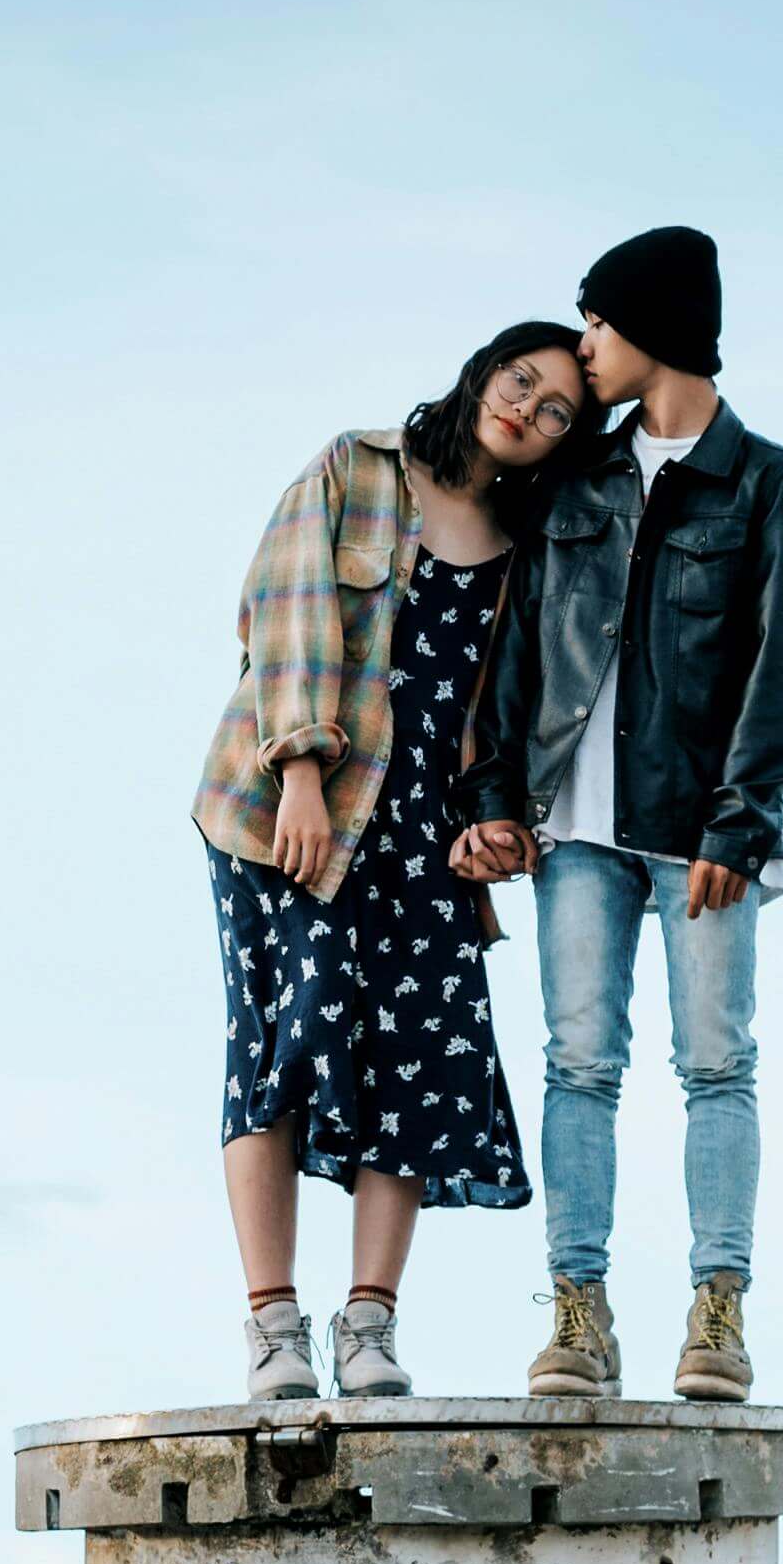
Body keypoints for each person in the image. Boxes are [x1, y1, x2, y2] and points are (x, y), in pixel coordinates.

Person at [192, 323, 605, 1400]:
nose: (527, 408)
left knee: (419, 1060)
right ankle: (272, 1325)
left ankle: (368, 1323)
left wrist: (492, 814)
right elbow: (284, 616)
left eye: (557, 407)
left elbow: (498, 709)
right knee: (282, 1038)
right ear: (484, 373)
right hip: (295, 808)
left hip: (423, 834)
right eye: (521, 380)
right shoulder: (361, 467)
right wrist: (298, 771)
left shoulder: (529, 546)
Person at [455, 225, 783, 1398]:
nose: (583, 344)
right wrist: (497, 798)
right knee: (578, 1063)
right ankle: (580, 1313)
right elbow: (518, 651)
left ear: (654, 330)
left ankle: (717, 1312)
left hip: (698, 832)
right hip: (575, 832)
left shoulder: (770, 483)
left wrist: (741, 820)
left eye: (599, 322)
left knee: (716, 1062)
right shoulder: (576, 483)